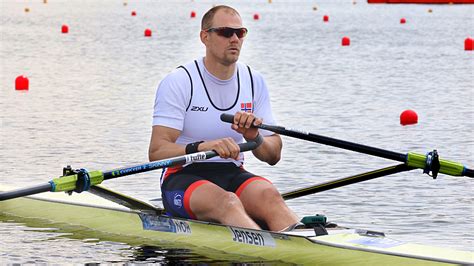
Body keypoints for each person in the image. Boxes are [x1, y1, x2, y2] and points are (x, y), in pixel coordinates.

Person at [148, 5, 299, 231]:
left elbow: (273, 155)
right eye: (226, 32)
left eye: (241, 33)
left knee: (270, 196)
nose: (235, 39)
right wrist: (203, 147)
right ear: (205, 37)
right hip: (182, 176)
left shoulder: (253, 81)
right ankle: (266, 253)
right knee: (227, 203)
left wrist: (255, 137)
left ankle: (303, 249)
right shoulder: (180, 81)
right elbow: (157, 152)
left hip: (231, 172)